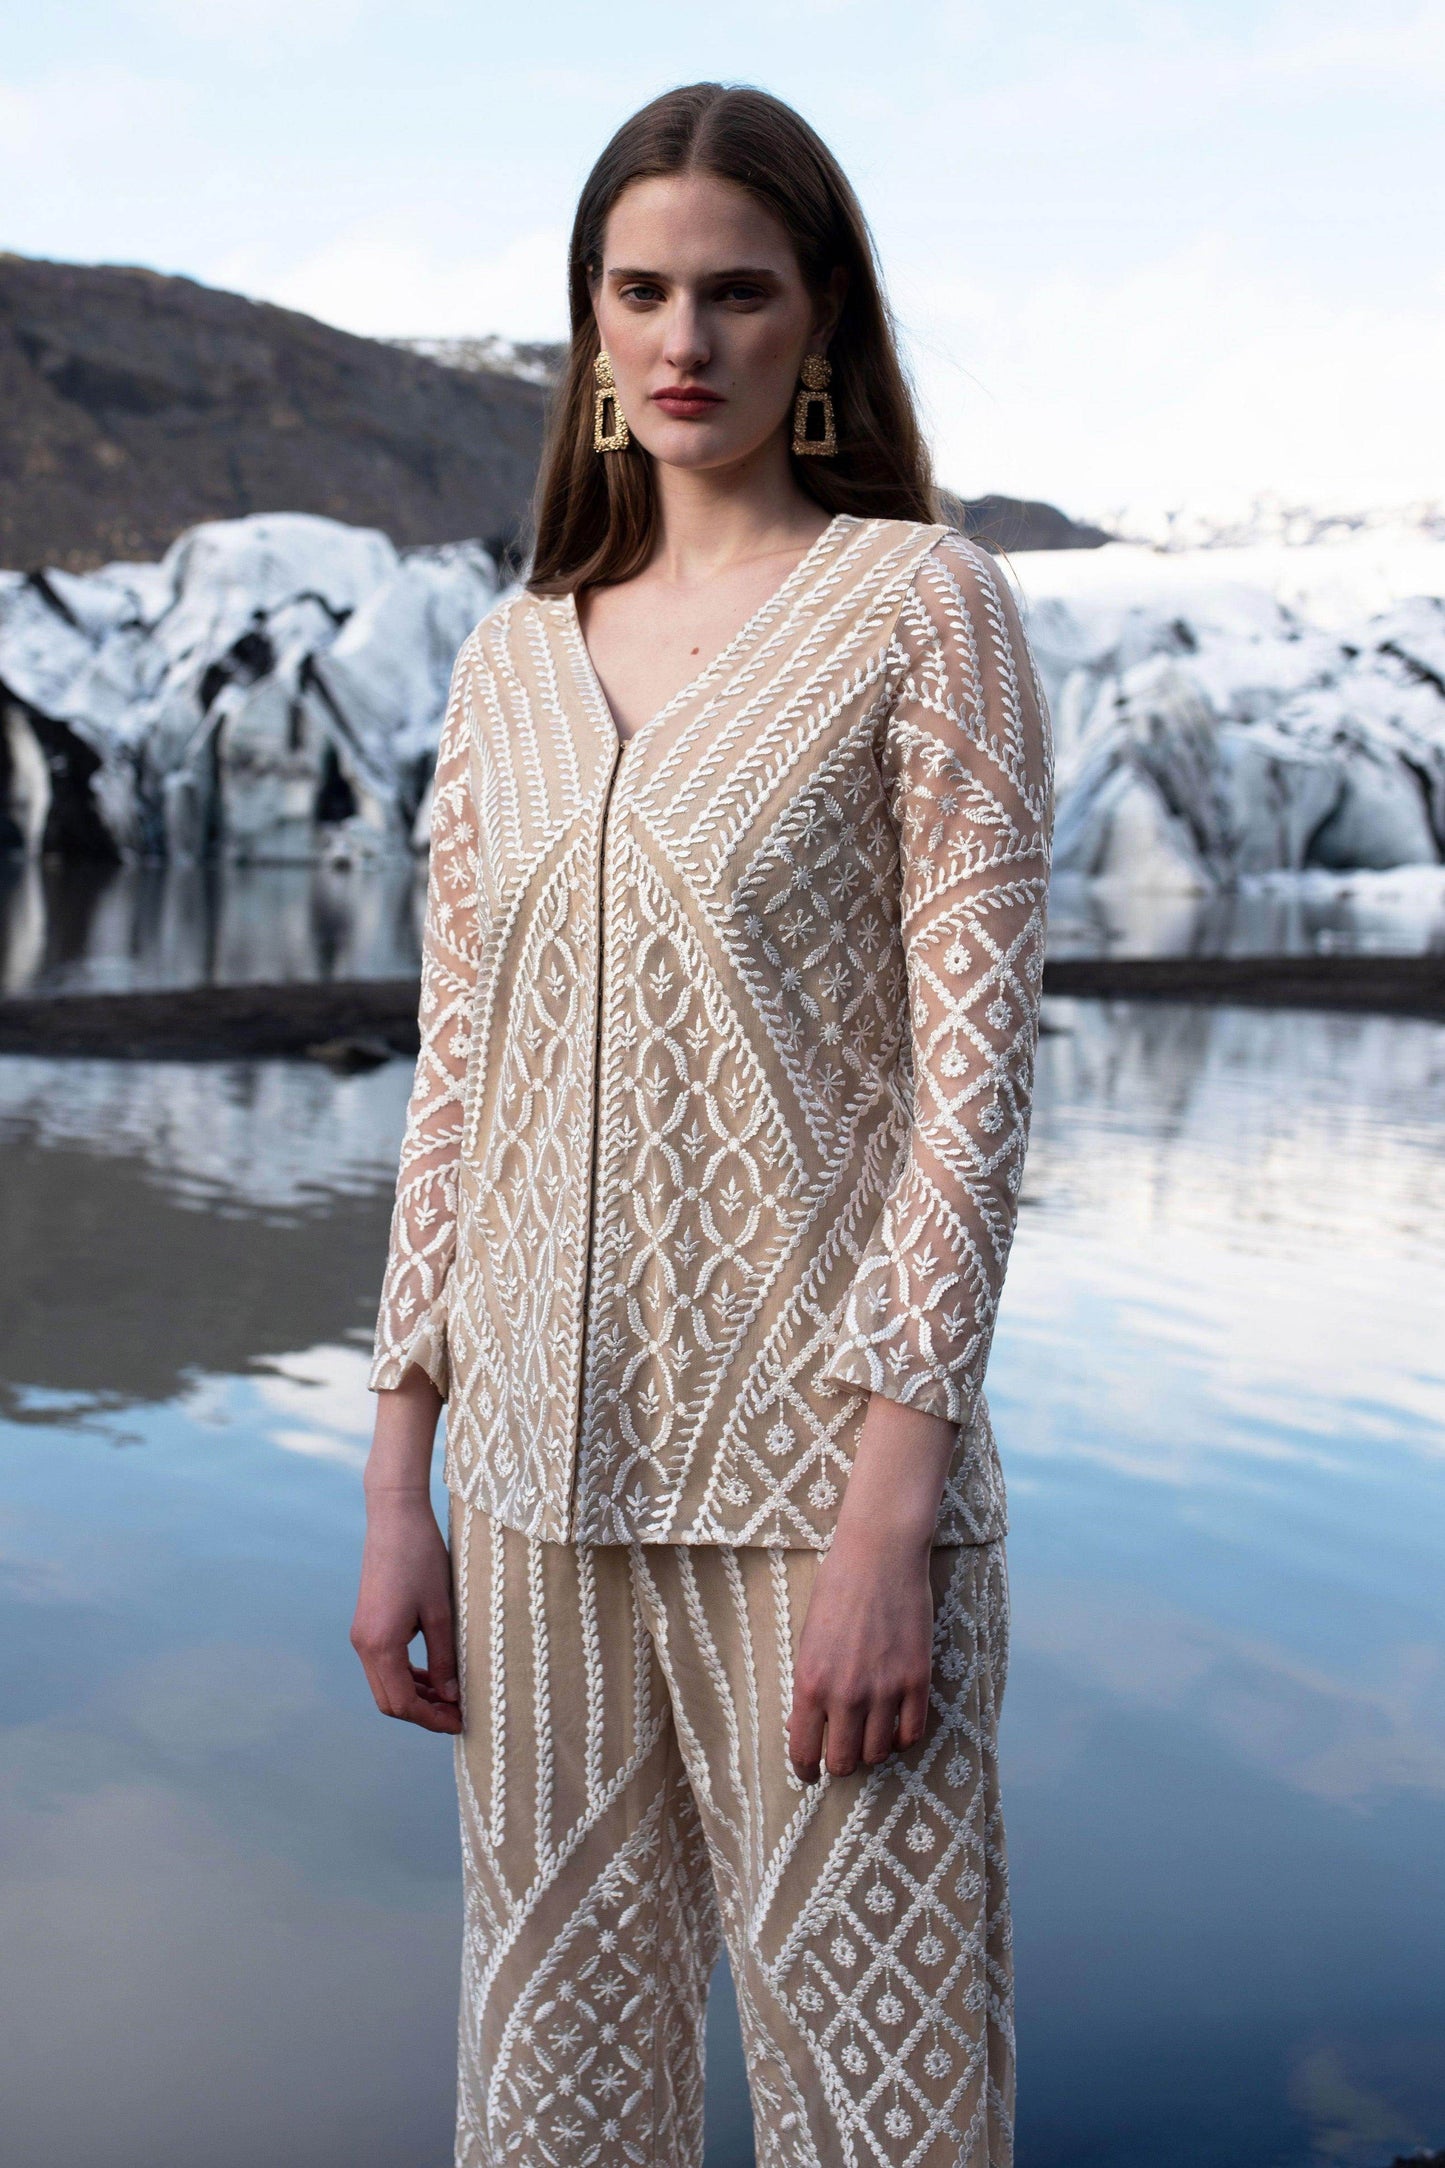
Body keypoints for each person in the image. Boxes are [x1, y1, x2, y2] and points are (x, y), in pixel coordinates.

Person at [352, 80, 1053, 2168]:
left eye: (737, 291)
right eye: (639, 291)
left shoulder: (923, 606)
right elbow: (456, 1087)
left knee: (884, 2118)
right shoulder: (506, 663)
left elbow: (974, 1096)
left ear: (819, 313)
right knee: (555, 2120)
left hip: (821, 1507)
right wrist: (401, 1476)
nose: (684, 339)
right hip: (532, 1506)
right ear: (588, 320)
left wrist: (890, 1526)